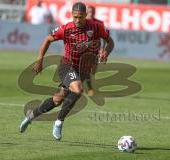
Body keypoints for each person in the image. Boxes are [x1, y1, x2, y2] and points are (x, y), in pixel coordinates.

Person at [19, 2, 114, 140]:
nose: (77, 20)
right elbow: (47, 39)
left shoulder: (96, 27)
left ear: (85, 15)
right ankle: (59, 122)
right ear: (71, 15)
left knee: (58, 99)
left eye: (80, 17)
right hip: (67, 66)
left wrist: (106, 52)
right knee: (78, 89)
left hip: (83, 68)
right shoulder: (66, 29)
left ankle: (31, 116)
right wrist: (40, 60)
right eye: (75, 17)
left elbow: (110, 41)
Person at [85, 5, 106, 96]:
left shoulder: (99, 23)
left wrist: (102, 49)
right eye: (89, 11)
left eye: (92, 11)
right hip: (84, 49)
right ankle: (89, 88)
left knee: (92, 71)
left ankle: (84, 82)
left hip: (95, 50)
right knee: (86, 69)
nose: (91, 13)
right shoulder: (82, 22)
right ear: (86, 12)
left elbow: (104, 37)